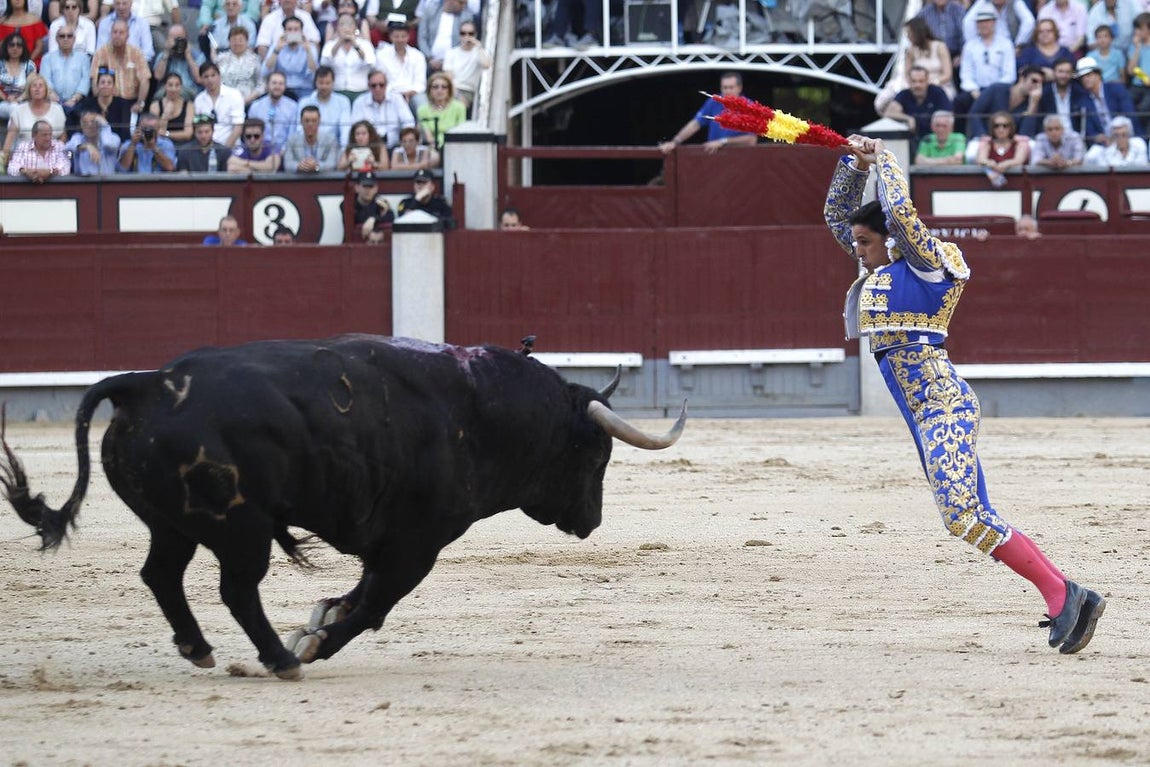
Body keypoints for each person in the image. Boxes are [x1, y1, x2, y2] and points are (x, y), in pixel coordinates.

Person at [823, 133, 1105, 655]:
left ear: (888, 241)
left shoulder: (929, 263)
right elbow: (838, 215)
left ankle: (1063, 593)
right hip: (923, 414)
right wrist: (852, 162)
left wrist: (884, 160)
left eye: (864, 242)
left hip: (944, 406)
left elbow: (901, 214)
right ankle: (1069, 597)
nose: (854, 248)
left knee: (963, 514)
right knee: (972, 513)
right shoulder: (883, 270)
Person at [658, 72, 758, 155]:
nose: (727, 91)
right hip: (714, 159)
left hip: (740, 161)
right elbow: (695, 124)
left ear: (739, 88)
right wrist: (675, 142)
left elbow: (751, 140)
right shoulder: (714, 102)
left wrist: (723, 142)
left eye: (731, 87)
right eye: (724, 88)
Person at [955, 11, 1016, 129]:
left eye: (987, 22)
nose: (984, 25)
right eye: (980, 23)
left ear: (994, 23)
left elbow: (1009, 75)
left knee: (999, 101)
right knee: (959, 101)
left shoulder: (1005, 44)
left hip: (999, 89)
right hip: (976, 90)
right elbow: (966, 74)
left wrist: (992, 91)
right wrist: (973, 89)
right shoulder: (969, 46)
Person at [90, 18, 151, 116]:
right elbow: (94, 80)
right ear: (110, 34)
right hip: (109, 102)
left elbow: (145, 80)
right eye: (115, 32)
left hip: (131, 102)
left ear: (127, 36)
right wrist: (100, 103)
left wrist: (140, 103)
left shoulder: (136, 53)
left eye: (121, 32)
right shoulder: (101, 53)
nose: (117, 35)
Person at [2, 74, 66, 162]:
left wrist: (56, 154)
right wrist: (4, 159)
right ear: (29, 90)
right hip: (24, 157)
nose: (37, 89)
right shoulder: (19, 111)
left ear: (46, 90)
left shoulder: (57, 109)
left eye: (41, 86)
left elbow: (63, 136)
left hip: (51, 156)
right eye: (34, 86)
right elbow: (9, 139)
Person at [1032, 57, 1102, 138]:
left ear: (1072, 74)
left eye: (1067, 72)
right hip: (1051, 137)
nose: (1063, 75)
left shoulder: (1079, 92)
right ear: (1054, 72)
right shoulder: (1045, 93)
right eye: (1060, 71)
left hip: (1075, 137)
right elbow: (1038, 120)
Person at [1075, 56, 1135, 147]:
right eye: (1082, 78)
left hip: (1127, 138)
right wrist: (1098, 137)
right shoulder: (1084, 101)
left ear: (1098, 75)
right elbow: (1089, 130)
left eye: (1088, 75)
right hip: (1104, 144)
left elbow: (1130, 115)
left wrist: (1118, 135)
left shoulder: (1116, 89)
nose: (1085, 79)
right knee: (1091, 156)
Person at [350, 68, 413, 149]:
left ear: (386, 85)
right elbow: (355, 127)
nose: (377, 89)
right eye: (374, 86)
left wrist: (403, 140)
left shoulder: (397, 99)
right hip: (369, 147)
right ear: (368, 86)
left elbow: (409, 122)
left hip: (395, 146)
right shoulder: (359, 102)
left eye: (381, 85)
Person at [884, 66, 952, 138]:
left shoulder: (937, 92)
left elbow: (948, 115)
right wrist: (908, 118)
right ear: (908, 82)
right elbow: (889, 113)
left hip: (935, 137)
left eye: (921, 81)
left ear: (927, 81)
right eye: (914, 81)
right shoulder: (904, 94)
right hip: (912, 136)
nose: (917, 85)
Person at [40, 23, 91, 120]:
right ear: (56, 39)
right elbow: (45, 79)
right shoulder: (47, 58)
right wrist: (54, 97)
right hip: (52, 102)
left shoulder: (83, 58)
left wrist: (74, 99)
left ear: (74, 39)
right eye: (62, 36)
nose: (66, 39)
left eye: (69, 36)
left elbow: (85, 80)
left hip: (77, 103)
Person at [320, 12, 374, 101]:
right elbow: (324, 63)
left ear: (355, 27)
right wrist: (339, 42)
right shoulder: (330, 44)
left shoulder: (365, 44)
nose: (346, 27)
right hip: (336, 91)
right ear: (337, 28)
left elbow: (371, 64)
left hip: (360, 91)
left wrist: (355, 44)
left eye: (349, 24)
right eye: (342, 24)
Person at [262, 14, 318, 99]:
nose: (293, 32)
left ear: (301, 32)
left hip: (304, 90)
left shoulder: (310, 48)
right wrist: (277, 50)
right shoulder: (276, 46)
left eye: (296, 29)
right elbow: (265, 72)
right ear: (284, 32)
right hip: (282, 89)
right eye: (289, 29)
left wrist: (308, 51)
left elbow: (314, 73)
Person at [193, 60, 244, 146]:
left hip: (231, 147)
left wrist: (224, 151)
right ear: (201, 79)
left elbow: (238, 128)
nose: (210, 80)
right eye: (206, 76)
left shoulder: (234, 94)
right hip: (207, 147)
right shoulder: (199, 100)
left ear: (219, 76)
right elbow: (199, 127)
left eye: (213, 75)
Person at [75, 67, 134, 140]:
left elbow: (125, 130)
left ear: (114, 87)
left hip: (116, 141)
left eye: (109, 83)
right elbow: (81, 124)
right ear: (97, 86)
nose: (105, 86)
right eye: (102, 82)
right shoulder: (88, 103)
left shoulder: (123, 104)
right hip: (92, 140)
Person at [373, 19, 421, 109]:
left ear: (408, 37)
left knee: (421, 100)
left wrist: (410, 92)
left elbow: (420, 83)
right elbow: (381, 80)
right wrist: (397, 95)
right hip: (390, 93)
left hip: (413, 94)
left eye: (403, 36)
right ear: (390, 37)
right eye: (396, 36)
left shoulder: (418, 55)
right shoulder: (381, 55)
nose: (400, 40)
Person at [417, 70, 465, 157]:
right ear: (429, 90)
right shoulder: (422, 110)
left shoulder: (459, 107)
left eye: (444, 87)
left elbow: (460, 133)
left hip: (454, 148)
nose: (440, 90)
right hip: (432, 148)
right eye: (435, 87)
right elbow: (428, 137)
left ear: (449, 90)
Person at [297, 64, 350, 141]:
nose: (324, 87)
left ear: (333, 83)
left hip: (334, 146)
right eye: (321, 83)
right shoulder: (304, 102)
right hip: (309, 145)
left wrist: (343, 150)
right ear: (315, 83)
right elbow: (300, 129)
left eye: (327, 83)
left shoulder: (343, 102)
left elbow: (345, 130)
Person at [903, 17, 953, 99]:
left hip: (939, 84)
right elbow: (907, 74)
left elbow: (947, 74)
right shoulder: (910, 51)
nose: (908, 37)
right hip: (916, 86)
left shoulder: (940, 46)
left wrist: (930, 83)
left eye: (909, 33)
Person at [152, 24, 204, 102]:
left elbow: (199, 79)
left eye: (179, 39)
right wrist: (166, 53)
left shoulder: (196, 55)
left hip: (189, 91)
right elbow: (158, 76)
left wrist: (188, 56)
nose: (176, 43)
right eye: (173, 39)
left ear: (186, 39)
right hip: (167, 91)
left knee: (177, 93)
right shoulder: (163, 54)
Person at [975, 110, 1030, 185]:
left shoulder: (1019, 143)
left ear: (1011, 127)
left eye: (1005, 126)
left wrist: (1006, 164)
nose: (1001, 129)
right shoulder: (987, 143)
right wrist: (990, 163)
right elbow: (981, 159)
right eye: (996, 126)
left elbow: (1019, 160)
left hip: (1017, 185)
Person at [247, 71, 297, 151]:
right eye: (274, 83)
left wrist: (284, 151)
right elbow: (251, 133)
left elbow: (293, 134)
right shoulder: (256, 107)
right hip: (259, 151)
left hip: (284, 151)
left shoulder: (293, 107)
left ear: (285, 86)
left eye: (281, 84)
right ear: (267, 85)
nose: (277, 86)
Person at [254, 0, 321, 59]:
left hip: (302, 63)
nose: (287, 0)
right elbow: (262, 45)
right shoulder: (269, 19)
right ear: (279, 1)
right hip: (276, 64)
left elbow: (315, 41)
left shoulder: (305, 17)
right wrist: (269, 65)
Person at [213, 26, 262, 105]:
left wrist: (246, 100)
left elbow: (261, 85)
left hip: (248, 101)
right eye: (234, 40)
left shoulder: (255, 59)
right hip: (224, 101)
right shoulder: (220, 59)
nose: (237, 43)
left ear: (247, 42)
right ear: (229, 42)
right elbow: (215, 82)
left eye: (240, 40)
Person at [282, 103, 339, 172]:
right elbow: (287, 164)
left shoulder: (330, 139)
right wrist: (298, 166)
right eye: (307, 121)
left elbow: (332, 163)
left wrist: (317, 166)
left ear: (319, 121)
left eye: (314, 121)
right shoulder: (292, 139)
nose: (310, 124)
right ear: (301, 122)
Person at [64, 107, 120, 174]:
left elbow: (108, 144)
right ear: (81, 124)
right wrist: (88, 146)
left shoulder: (113, 137)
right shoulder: (77, 137)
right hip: (83, 182)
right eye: (85, 122)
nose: (89, 125)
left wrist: (105, 125)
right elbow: (68, 149)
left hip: (107, 182)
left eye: (93, 122)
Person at [962, 0, 1034, 51]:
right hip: (987, 45)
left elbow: (1029, 21)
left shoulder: (1015, 2)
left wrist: (1019, 44)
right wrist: (974, 46)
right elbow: (968, 22)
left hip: (1011, 45)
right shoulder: (983, 2)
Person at [419, 0, 470, 69]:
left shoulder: (465, 17)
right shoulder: (431, 11)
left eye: (465, 4)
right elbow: (422, 38)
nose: (463, 7)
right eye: (461, 3)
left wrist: (446, 61)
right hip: (428, 61)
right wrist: (430, 57)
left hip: (453, 63)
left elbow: (464, 41)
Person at [0, 30, 36, 126]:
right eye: (12, 45)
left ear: (23, 48)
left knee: (16, 108)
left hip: (24, 102)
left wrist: (18, 99)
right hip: (2, 103)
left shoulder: (29, 66)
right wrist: (6, 98)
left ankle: (12, 139)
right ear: (6, 47)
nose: (15, 48)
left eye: (19, 45)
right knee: (15, 108)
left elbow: (31, 86)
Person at [148, 71, 193, 142]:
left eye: (177, 85)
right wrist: (165, 115)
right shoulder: (155, 106)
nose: (173, 89)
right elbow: (156, 133)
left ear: (181, 87)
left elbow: (188, 134)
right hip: (161, 144)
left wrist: (166, 134)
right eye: (170, 85)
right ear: (165, 86)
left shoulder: (189, 106)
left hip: (182, 144)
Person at [0, 0, 48, 66]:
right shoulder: (2, 22)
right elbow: (1, 46)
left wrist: (27, 62)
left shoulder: (35, 20)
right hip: (7, 64)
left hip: (31, 63)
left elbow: (39, 47)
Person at [352, 169, 393, 239]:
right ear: (357, 188)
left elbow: (391, 217)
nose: (368, 190)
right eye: (365, 186)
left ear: (376, 188)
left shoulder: (380, 202)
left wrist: (374, 219)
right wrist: (377, 217)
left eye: (371, 186)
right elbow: (359, 218)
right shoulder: (348, 204)